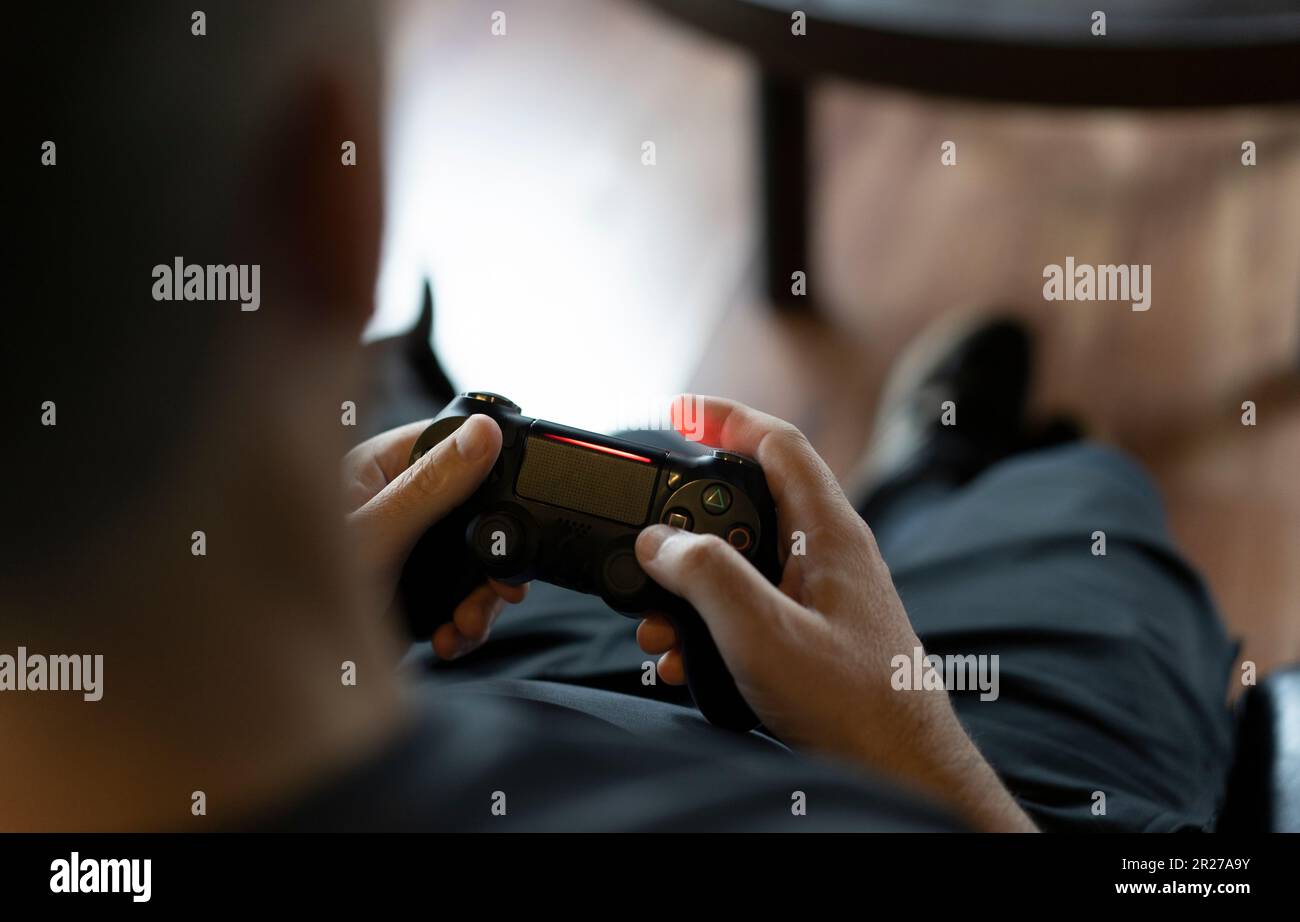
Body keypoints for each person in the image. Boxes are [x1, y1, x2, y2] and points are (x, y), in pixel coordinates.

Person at [5, 2, 1235, 833]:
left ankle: (928, 485)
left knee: (646, 487)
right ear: (330, 203)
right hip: (857, 751)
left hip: (409, 692)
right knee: (1086, 516)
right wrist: (924, 760)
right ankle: (951, 472)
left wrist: (319, 633)